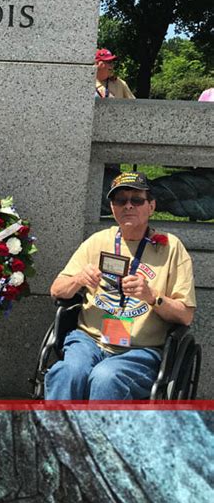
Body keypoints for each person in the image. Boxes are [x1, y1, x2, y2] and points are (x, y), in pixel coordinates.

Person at [44, 171, 196, 401]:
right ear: (112, 207)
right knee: (68, 373)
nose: (128, 206)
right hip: (89, 341)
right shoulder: (97, 242)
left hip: (139, 350)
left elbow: (185, 316)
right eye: (120, 200)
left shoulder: (172, 249)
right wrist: (78, 280)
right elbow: (56, 290)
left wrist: (152, 296)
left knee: (106, 377)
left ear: (151, 206)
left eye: (136, 200)